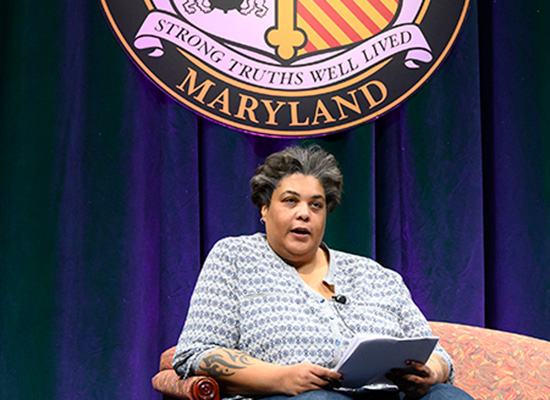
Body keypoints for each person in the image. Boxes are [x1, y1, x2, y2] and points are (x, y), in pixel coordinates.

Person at [173, 145, 473, 400]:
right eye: (290, 201)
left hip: (389, 394)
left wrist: (430, 371)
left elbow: (438, 354)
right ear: (264, 208)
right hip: (295, 397)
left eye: (316, 205)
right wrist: (280, 378)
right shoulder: (235, 257)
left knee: (447, 396)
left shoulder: (375, 275)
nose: (304, 213)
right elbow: (195, 353)